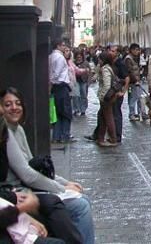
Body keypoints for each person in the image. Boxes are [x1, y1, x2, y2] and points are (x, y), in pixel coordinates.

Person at [1, 88, 95, 243]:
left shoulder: (18, 130)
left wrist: (65, 183)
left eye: (18, 103)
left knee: (82, 199)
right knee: (80, 205)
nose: (14, 108)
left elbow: (32, 167)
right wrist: (61, 188)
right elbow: (27, 175)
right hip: (19, 193)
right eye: (7, 105)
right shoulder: (6, 133)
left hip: (27, 190)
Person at [48, 40, 74, 144]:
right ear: (58, 46)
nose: (64, 47)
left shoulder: (51, 56)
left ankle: (56, 136)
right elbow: (56, 73)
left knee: (57, 113)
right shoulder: (59, 57)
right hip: (61, 86)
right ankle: (64, 136)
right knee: (66, 112)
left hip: (56, 87)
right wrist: (51, 82)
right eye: (63, 45)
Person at [96, 52, 119, 147]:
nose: (98, 61)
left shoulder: (106, 69)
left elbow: (107, 85)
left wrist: (102, 96)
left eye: (100, 59)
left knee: (108, 117)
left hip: (106, 97)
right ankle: (100, 138)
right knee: (102, 116)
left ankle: (113, 139)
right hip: (107, 96)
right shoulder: (107, 67)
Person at [125, 43, 147, 122]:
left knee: (139, 97)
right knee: (132, 98)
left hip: (137, 80)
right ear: (132, 50)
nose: (138, 51)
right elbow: (129, 71)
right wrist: (135, 80)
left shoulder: (136, 57)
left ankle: (140, 113)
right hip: (133, 82)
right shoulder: (128, 59)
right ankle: (131, 114)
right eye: (137, 50)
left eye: (138, 50)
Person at [73, 52, 90, 117]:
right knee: (76, 95)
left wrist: (88, 82)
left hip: (83, 81)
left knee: (84, 95)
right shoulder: (73, 63)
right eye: (77, 57)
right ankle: (76, 109)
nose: (79, 58)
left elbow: (89, 72)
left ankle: (83, 109)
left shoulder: (85, 63)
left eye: (80, 57)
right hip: (76, 81)